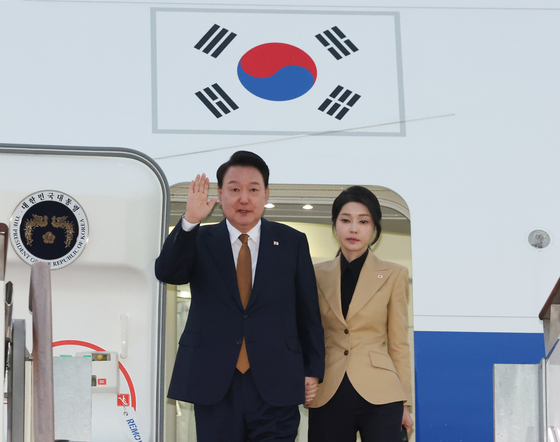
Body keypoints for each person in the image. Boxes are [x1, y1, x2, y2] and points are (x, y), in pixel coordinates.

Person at [155, 151, 325, 442]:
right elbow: (168, 273)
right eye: (234, 189)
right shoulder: (200, 238)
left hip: (277, 379)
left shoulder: (291, 241)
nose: (243, 198)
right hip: (216, 380)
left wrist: (312, 369)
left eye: (253, 189)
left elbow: (308, 311)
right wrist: (189, 221)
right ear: (220, 194)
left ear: (266, 194)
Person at [308, 186, 413, 442]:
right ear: (335, 226)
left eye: (363, 221)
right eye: (345, 220)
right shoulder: (315, 274)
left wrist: (406, 403)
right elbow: (308, 333)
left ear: (374, 228)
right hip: (328, 390)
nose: (353, 229)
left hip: (381, 393)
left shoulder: (394, 274)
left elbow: (398, 343)